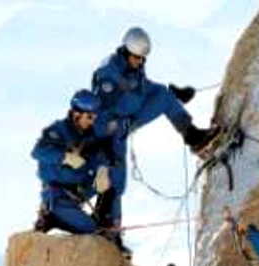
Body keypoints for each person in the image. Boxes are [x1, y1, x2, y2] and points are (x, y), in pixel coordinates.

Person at [90, 26, 221, 238]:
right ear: (126, 51)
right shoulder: (108, 74)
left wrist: (175, 94)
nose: (140, 62)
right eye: (137, 58)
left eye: (143, 59)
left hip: (128, 118)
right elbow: (99, 112)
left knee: (164, 96)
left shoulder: (134, 67)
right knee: (115, 181)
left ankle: (194, 137)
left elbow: (146, 88)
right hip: (111, 132)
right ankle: (109, 229)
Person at [32, 89, 128, 253]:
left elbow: (99, 157)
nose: (92, 121)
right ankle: (51, 218)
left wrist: (102, 170)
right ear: (77, 114)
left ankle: (107, 223)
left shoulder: (89, 137)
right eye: (89, 117)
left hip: (80, 189)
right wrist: (64, 157)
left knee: (114, 177)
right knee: (91, 230)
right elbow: (38, 152)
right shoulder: (57, 131)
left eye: (95, 117)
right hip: (57, 195)